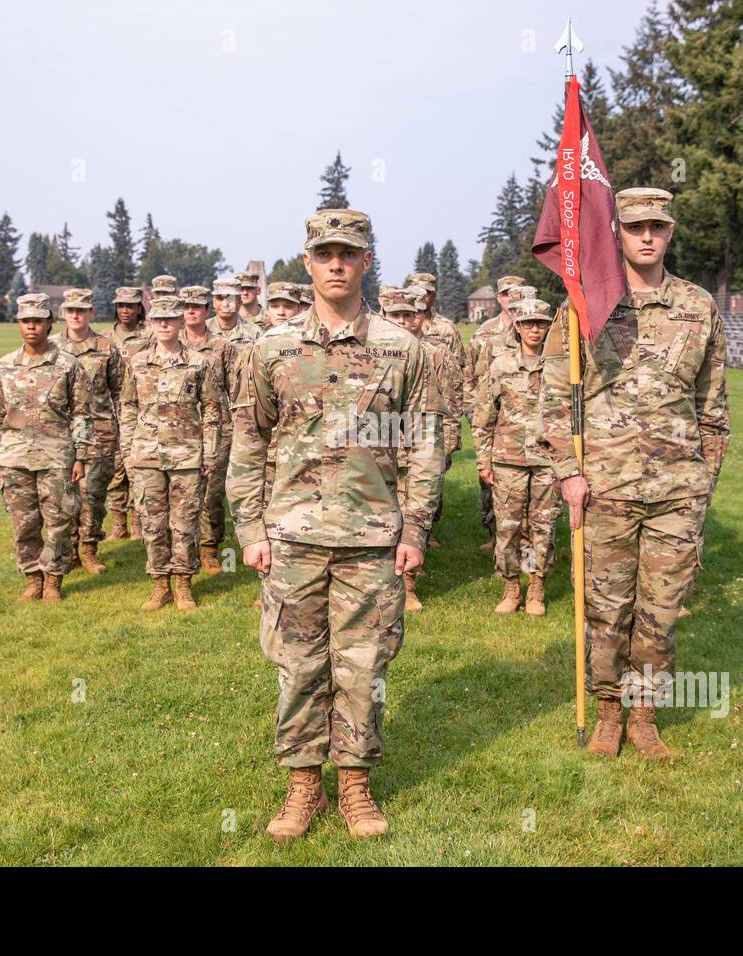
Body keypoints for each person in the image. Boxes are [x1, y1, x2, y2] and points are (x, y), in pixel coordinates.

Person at [227, 209, 443, 842]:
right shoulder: (273, 349)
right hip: (291, 535)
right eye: (325, 254)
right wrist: (249, 530)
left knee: (364, 665)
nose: (337, 264)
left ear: (367, 261)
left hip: (372, 537)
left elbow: (425, 446)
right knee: (297, 664)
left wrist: (415, 530)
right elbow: (248, 442)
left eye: (348, 253)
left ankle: (354, 782)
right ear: (308, 261)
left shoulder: (403, 351)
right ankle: (302, 786)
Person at [540, 187, 730, 760]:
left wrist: (704, 480)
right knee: (606, 607)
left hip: (678, 492)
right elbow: (554, 397)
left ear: (670, 232)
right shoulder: (585, 306)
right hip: (605, 488)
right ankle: (606, 712)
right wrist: (569, 473)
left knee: (660, 610)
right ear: (616, 232)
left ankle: (644, 714)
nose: (647, 236)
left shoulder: (699, 307)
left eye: (658, 226)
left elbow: (713, 406)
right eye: (635, 226)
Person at [119, 295, 222, 611]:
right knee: (152, 522)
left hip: (187, 457)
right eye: (158, 319)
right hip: (147, 455)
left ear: (180, 323)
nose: (164, 324)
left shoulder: (198, 363)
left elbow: (213, 409)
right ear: (150, 322)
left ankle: (183, 584)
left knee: (185, 522)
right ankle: (159, 584)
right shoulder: (137, 362)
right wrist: (127, 452)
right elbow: (127, 407)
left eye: (171, 319)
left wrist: (209, 454)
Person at [0, 293, 91, 603]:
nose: (31, 327)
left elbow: (82, 414)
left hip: (56, 456)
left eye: (37, 321)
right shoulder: (5, 366)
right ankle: (32, 580)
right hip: (15, 456)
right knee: (24, 524)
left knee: (59, 522)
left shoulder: (68, 365)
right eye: (25, 321)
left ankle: (53, 581)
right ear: (18, 324)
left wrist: (81, 455)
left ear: (49, 323)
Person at [473, 297, 560, 617]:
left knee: (544, 526)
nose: (534, 329)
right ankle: (511, 587)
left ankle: (536, 586)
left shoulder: (561, 365)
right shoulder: (502, 365)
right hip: (507, 460)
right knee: (507, 528)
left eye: (540, 323)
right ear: (517, 328)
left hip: (548, 461)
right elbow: (483, 415)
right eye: (527, 323)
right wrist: (483, 460)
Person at [382, 287, 459, 610]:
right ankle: (384, 583)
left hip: (419, 451)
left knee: (414, 514)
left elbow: (452, 403)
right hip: (381, 450)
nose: (403, 321)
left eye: (408, 315)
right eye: (395, 315)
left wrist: (449, 444)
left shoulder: (437, 355)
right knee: (385, 519)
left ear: (420, 318)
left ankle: (409, 585)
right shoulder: (375, 354)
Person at [52, 288, 124, 575]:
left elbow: (119, 391)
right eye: (71, 311)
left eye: (81, 311)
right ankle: (69, 550)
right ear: (63, 314)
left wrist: (121, 432)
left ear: (91, 313)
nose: (76, 316)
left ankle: (89, 549)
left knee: (92, 496)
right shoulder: (52, 347)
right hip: (60, 433)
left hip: (99, 433)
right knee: (64, 495)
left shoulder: (106, 347)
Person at [465, 275, 525, 550]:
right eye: (506, 293)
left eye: (517, 292)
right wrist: (473, 413)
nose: (512, 297)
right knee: (490, 481)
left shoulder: (541, 331)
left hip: (525, 421)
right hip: (494, 419)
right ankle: (493, 532)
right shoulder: (485, 334)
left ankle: (527, 541)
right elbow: (472, 378)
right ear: (499, 297)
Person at [180, 284, 237, 572]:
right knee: (182, 494)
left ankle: (210, 548)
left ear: (206, 310)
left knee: (212, 493)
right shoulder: (168, 344)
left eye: (196, 306)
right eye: (186, 306)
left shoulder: (221, 347)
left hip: (219, 428)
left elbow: (234, 388)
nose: (191, 311)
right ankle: (181, 551)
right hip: (180, 430)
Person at [106, 286, 152, 540]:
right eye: (121, 305)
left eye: (130, 305)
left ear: (139, 308)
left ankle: (137, 524)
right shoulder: (105, 337)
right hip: (111, 412)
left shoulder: (150, 335)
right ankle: (118, 525)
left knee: (137, 468)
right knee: (115, 470)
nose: (125, 310)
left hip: (140, 410)